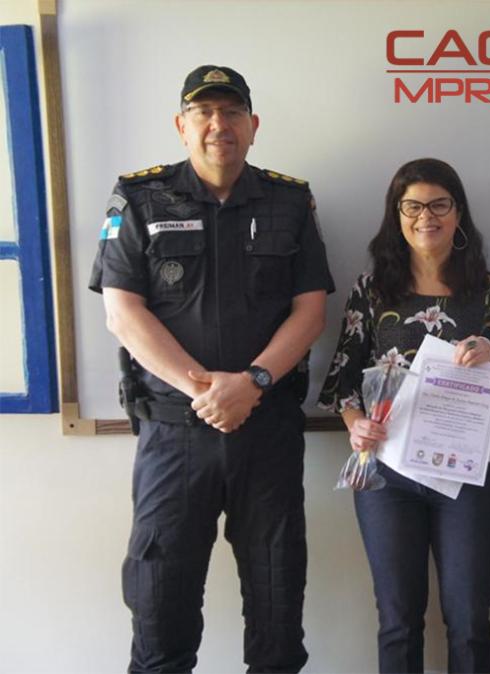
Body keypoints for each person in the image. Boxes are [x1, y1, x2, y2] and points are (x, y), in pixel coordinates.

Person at [89, 65, 334, 673]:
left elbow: (310, 311)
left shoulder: (289, 200)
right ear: (182, 125)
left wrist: (251, 384)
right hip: (174, 434)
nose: (218, 125)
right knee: (159, 616)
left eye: (231, 112)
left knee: (278, 614)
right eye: (203, 113)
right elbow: (122, 312)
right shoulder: (138, 197)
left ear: (253, 126)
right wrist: (205, 391)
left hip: (267, 431)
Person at [317, 158, 490, 674]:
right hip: (386, 473)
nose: (425, 217)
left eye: (438, 205)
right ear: (396, 215)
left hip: (466, 472)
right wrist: (355, 425)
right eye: (411, 207)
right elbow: (342, 378)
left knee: (470, 618)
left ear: (458, 214)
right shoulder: (372, 289)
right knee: (398, 619)